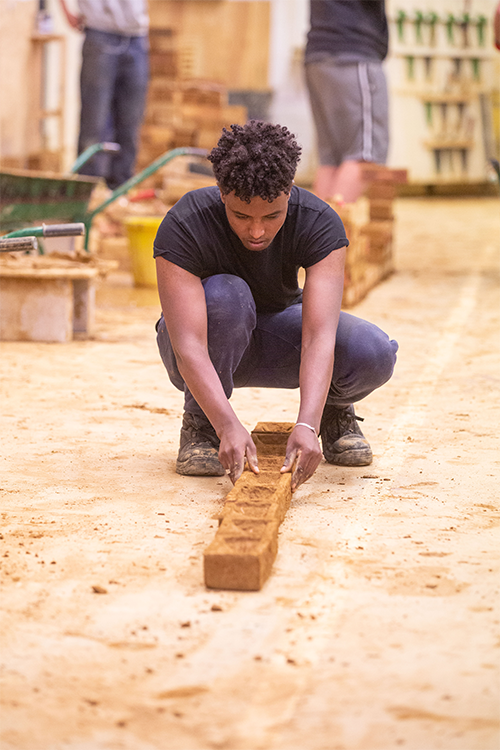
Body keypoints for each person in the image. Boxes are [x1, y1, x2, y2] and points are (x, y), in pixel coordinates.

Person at [154, 121, 398, 491]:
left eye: (272, 216)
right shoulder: (185, 224)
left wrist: (307, 424)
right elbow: (187, 345)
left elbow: (319, 336)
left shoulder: (319, 222)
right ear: (222, 193)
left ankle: (333, 411)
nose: (256, 231)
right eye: (241, 215)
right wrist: (227, 425)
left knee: (372, 352)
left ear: (289, 192)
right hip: (205, 346)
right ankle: (200, 425)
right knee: (226, 296)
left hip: (278, 337)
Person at [304, 0, 389, 203]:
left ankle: (313, 235)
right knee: (364, 156)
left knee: (331, 159)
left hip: (318, 55)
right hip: (352, 53)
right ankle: (330, 234)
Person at [59, 0, 149, 189]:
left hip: (137, 35)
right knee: (94, 123)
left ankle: (119, 191)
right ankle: (86, 192)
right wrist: (65, 11)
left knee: (130, 122)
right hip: (99, 32)